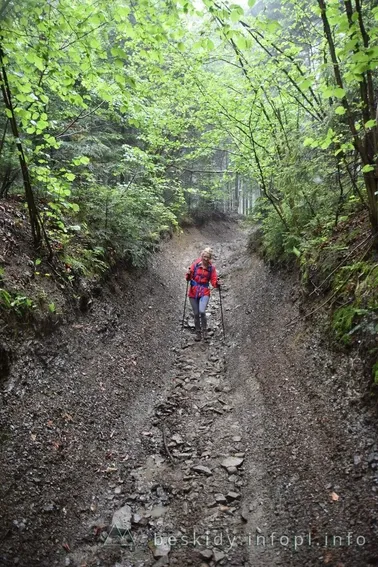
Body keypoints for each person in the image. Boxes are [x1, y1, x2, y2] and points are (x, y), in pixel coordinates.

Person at [185, 247, 220, 341]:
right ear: (202, 256)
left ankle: (204, 331)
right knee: (196, 314)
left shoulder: (211, 268)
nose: (205, 259)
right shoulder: (195, 265)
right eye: (204, 256)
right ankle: (198, 333)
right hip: (193, 292)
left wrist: (217, 283)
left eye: (207, 257)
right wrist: (188, 274)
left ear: (210, 258)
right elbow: (188, 278)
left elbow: (213, 281)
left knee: (202, 311)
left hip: (204, 292)